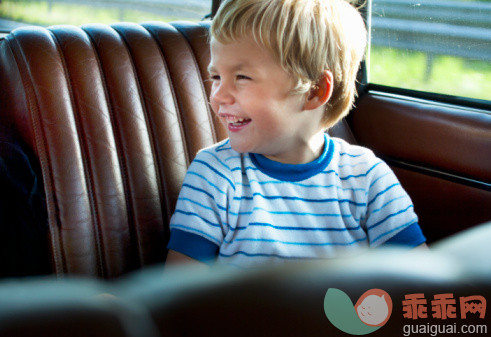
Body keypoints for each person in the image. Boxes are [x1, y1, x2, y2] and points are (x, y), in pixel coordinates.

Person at [166, 0, 426, 269]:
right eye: (216, 77)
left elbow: (419, 280)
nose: (217, 96)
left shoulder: (367, 177)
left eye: (242, 77)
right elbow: (179, 294)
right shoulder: (214, 175)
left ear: (313, 91)